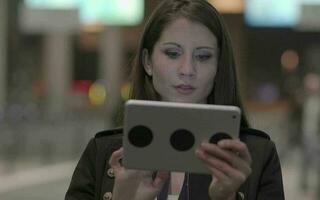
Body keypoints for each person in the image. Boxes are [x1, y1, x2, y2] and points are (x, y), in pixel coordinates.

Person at [65, 0, 284, 199]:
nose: (187, 69)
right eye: (172, 53)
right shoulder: (103, 152)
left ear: (219, 67)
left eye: (203, 56)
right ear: (148, 62)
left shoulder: (256, 155)